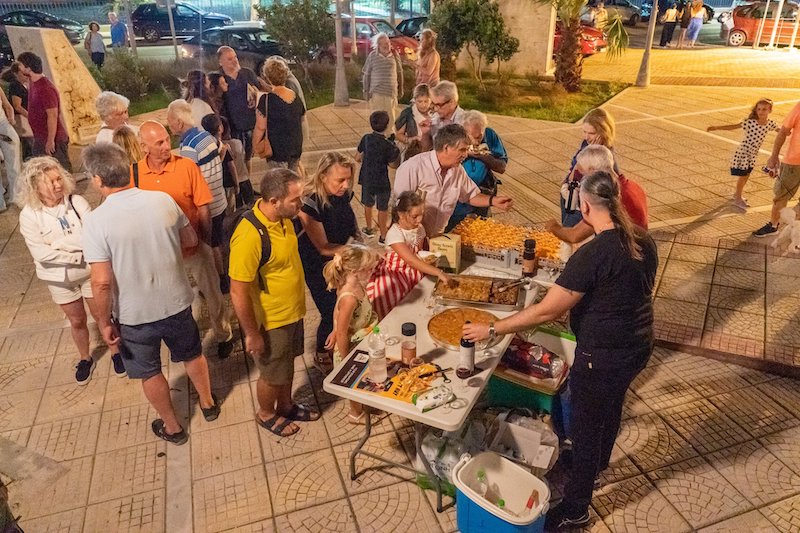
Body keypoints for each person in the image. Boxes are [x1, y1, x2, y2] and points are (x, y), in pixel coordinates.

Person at [463, 170, 658, 530]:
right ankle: (596, 465)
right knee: (611, 407)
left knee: (585, 428)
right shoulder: (643, 240)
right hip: (638, 346)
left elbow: (547, 311)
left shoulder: (593, 254)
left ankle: (576, 507)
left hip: (601, 356)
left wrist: (491, 328)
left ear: (585, 206)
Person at [82, 142, 220, 445]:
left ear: (98, 179)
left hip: (134, 315)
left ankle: (173, 426)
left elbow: (101, 282)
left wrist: (104, 322)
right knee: (192, 354)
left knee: (149, 371)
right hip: (176, 301)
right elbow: (189, 238)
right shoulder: (162, 200)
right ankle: (208, 403)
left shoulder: (95, 221)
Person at [18, 156, 125, 384]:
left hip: (88, 273)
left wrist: (60, 245)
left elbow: (91, 236)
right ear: (36, 186)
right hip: (59, 280)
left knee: (102, 315)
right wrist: (76, 253)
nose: (58, 185)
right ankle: (85, 357)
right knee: (76, 321)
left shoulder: (77, 202)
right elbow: (41, 254)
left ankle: (116, 353)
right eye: (51, 182)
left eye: (59, 179)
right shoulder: (29, 215)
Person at [230, 168, 320, 437]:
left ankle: (286, 405)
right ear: (274, 201)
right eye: (295, 199)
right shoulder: (249, 236)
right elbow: (238, 291)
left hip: (292, 311)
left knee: (286, 364)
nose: (300, 204)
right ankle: (267, 413)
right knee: (271, 373)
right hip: (271, 321)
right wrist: (252, 333)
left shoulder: (283, 218)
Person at [135, 120, 234, 357]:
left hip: (195, 246)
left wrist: (204, 241)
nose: (166, 146)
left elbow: (203, 206)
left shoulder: (186, 167)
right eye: (159, 143)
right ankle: (184, 340)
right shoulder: (135, 174)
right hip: (162, 253)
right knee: (174, 299)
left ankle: (224, 334)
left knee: (212, 293)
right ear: (144, 147)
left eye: (166, 140)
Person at [296, 152, 360, 373]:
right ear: (323, 176)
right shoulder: (310, 205)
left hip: (342, 259)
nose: (346, 185)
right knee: (330, 309)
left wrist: (359, 242)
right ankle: (322, 352)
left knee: (346, 306)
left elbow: (352, 226)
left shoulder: (342, 195)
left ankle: (342, 341)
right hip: (319, 266)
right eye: (340, 180)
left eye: (348, 179)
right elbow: (323, 247)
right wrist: (361, 252)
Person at [394, 124, 513, 237]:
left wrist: (493, 201)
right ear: (446, 148)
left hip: (438, 236)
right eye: (462, 150)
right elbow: (400, 207)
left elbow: (470, 195)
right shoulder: (413, 167)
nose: (465, 155)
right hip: (411, 237)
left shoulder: (457, 170)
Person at [167, 100, 228, 279]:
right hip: (220, 198)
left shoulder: (188, 147)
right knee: (220, 241)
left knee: (211, 245)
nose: (169, 126)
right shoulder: (206, 136)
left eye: (170, 121)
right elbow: (221, 151)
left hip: (208, 205)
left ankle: (220, 279)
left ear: (179, 122)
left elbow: (189, 180)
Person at [367, 191, 450, 318]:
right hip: (396, 275)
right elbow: (410, 260)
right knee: (397, 309)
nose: (419, 220)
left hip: (415, 272)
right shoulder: (395, 233)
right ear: (401, 215)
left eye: (422, 215)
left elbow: (422, 250)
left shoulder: (419, 228)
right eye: (414, 216)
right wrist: (438, 272)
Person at [546, 145, 649, 243]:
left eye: (582, 172)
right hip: (640, 243)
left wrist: (553, 227)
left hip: (624, 247)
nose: (580, 176)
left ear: (592, 171)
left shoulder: (608, 193)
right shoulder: (633, 186)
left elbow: (574, 236)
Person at [323, 244, 379, 423]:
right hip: (350, 347)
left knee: (364, 375)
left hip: (362, 339)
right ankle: (356, 413)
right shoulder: (349, 298)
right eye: (368, 269)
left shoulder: (355, 286)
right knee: (353, 381)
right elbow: (342, 334)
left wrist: (334, 327)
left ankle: (365, 401)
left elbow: (336, 310)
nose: (371, 272)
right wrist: (347, 359)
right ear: (355, 272)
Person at [707, 98, 778, 211]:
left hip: (753, 153)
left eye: (764, 109)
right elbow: (734, 126)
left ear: (770, 110)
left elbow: (782, 131)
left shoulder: (770, 123)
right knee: (743, 176)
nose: (761, 111)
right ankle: (738, 199)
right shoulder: (750, 122)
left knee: (747, 174)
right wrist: (716, 127)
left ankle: (737, 194)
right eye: (759, 109)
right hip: (743, 152)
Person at [446, 110, 508, 231]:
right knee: (456, 231)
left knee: (482, 230)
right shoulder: (453, 139)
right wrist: (465, 154)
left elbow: (501, 167)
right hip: (458, 198)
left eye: (480, 137)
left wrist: (482, 156)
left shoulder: (490, 135)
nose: (476, 142)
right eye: (472, 137)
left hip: (483, 191)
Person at [561, 107, 616, 228]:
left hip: (583, 202)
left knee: (568, 232)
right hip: (571, 193)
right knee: (566, 228)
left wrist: (590, 152)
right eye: (584, 132)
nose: (586, 137)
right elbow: (573, 171)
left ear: (603, 132)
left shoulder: (605, 156)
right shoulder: (586, 144)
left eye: (591, 133)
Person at [16, 52, 72, 171]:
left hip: (52, 139)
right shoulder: (33, 82)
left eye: (20, 65)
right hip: (40, 137)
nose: (19, 68)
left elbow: (52, 115)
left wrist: (50, 140)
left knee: (62, 172)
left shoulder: (45, 88)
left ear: (28, 68)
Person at [754, 101, 800, 237]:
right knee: (781, 196)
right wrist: (774, 156)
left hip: (793, 161)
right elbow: (783, 131)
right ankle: (773, 225)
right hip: (793, 161)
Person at [253, 56, 305, 171]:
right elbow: (301, 118)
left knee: (280, 179)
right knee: (292, 177)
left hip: (277, 150)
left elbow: (260, 127)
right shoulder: (295, 97)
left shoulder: (266, 100)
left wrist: (255, 145)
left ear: (267, 77)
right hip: (295, 147)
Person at [356, 111, 401, 242]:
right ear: (387, 125)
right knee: (382, 207)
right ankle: (383, 235)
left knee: (367, 203)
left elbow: (357, 157)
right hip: (381, 180)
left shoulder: (366, 138)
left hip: (366, 178)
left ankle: (369, 228)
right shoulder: (388, 145)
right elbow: (393, 165)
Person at [217, 46, 265, 169]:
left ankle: (247, 179)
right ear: (220, 62)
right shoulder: (219, 79)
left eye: (235, 57)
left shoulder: (247, 74)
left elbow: (260, 92)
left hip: (250, 123)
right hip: (231, 127)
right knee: (235, 158)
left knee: (248, 157)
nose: (234, 61)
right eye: (229, 59)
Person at [362, 33, 404, 130]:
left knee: (391, 118)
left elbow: (400, 72)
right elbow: (366, 75)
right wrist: (365, 90)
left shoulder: (394, 55)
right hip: (377, 93)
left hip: (391, 93)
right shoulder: (372, 56)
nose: (387, 45)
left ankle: (390, 136)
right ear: (378, 45)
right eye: (383, 44)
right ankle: (378, 137)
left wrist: (401, 89)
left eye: (388, 42)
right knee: (378, 119)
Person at [202, 113, 238, 214]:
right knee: (230, 211)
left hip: (214, 186)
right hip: (227, 183)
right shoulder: (223, 147)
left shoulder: (205, 147)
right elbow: (232, 166)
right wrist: (237, 184)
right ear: (220, 128)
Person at [1, 62, 33, 160]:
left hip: (24, 119)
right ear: (16, 73)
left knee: (28, 145)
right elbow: (17, 106)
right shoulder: (16, 86)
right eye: (24, 73)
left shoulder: (23, 85)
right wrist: (30, 116)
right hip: (21, 120)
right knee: (28, 146)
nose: (27, 75)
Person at [395, 83, 432, 161]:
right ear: (415, 100)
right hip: (412, 152)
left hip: (430, 153)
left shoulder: (435, 114)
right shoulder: (408, 113)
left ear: (431, 100)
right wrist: (410, 140)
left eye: (426, 101)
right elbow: (398, 134)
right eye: (420, 101)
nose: (423, 105)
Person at [0, 88, 20, 211]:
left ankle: (16, 196)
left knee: (14, 163)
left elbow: (8, 106)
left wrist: (11, 120)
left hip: (3, 124)